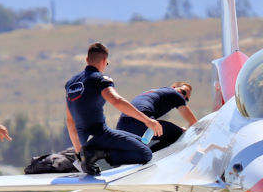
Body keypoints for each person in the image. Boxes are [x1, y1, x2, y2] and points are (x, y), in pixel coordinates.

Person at [64, 42, 163, 175]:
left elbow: (70, 122)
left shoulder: (71, 84)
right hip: (100, 134)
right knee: (145, 154)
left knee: (142, 143)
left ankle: (93, 154)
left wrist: (80, 154)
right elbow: (117, 101)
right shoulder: (99, 80)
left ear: (87, 60)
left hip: (85, 140)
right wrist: (148, 121)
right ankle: (101, 154)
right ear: (104, 61)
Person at [116, 82, 198, 152]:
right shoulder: (174, 93)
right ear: (173, 87)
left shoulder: (155, 92)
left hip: (122, 125)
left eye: (186, 99)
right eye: (183, 92)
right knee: (177, 133)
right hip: (142, 122)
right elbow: (193, 122)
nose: (183, 97)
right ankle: (152, 156)